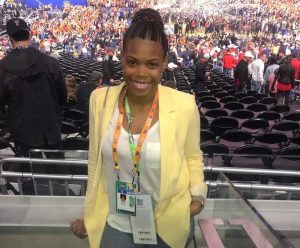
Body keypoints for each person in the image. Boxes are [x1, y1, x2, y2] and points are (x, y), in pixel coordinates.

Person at [70, 8, 207, 248]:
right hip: (116, 221)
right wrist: (89, 212)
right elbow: (95, 163)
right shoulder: (99, 100)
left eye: (152, 64)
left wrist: (198, 198)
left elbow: (193, 158)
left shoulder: (184, 105)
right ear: (122, 57)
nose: (141, 73)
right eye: (132, 62)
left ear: (164, 63)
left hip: (168, 223)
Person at [0, 18, 67, 158]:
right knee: (57, 170)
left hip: (22, 130)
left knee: (29, 173)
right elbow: (63, 95)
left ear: (10, 38)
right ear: (29, 35)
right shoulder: (51, 63)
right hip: (51, 126)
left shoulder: (3, 68)